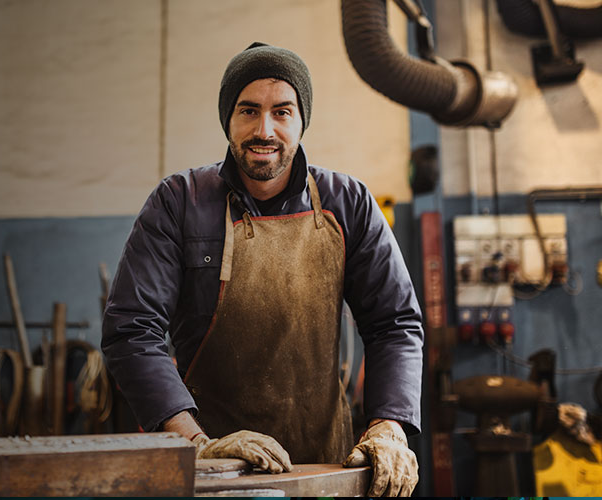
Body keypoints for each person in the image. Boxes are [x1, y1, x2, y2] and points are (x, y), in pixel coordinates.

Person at [102, 42, 423, 497]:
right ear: (227, 119)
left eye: (282, 112)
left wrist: (389, 427)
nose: (264, 129)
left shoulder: (347, 203)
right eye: (248, 111)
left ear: (301, 121)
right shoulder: (179, 202)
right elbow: (132, 330)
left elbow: (395, 323)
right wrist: (193, 443)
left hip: (327, 469)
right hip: (211, 471)